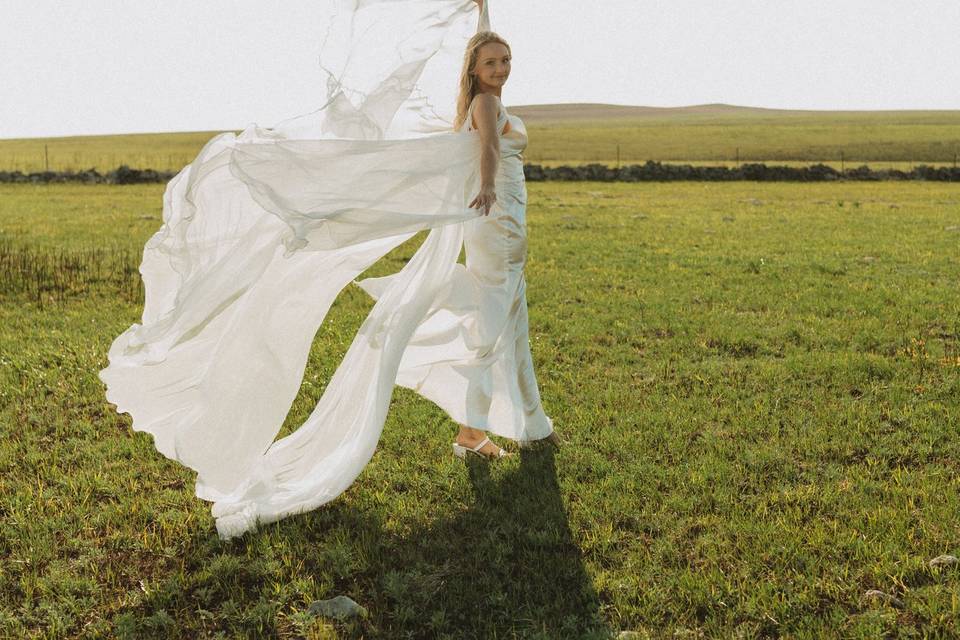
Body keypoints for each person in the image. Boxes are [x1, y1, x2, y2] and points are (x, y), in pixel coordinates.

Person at [99, 0, 557, 540]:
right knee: (496, 323)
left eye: (505, 60)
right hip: (497, 220)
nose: (501, 69)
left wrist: (481, 12)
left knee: (507, 320)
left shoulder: (482, 98)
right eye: (491, 62)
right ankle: (474, 431)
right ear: (475, 71)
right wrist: (484, 189)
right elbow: (487, 153)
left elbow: (483, 114)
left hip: (504, 222)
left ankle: (517, 423)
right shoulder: (483, 105)